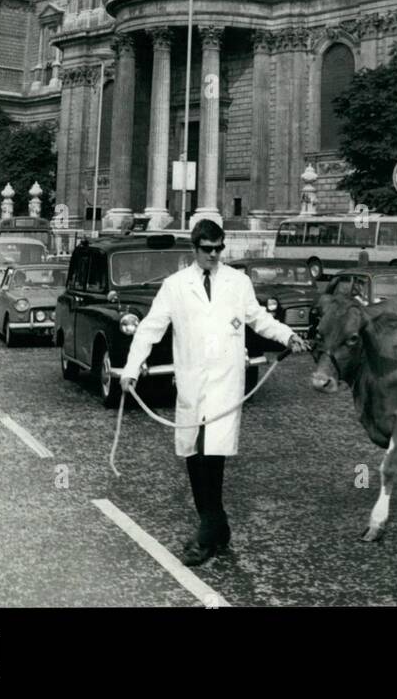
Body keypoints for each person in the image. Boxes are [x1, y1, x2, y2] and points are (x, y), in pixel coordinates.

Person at [119, 219, 309, 565]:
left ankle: (207, 534)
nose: (214, 255)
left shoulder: (238, 282)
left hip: (225, 382)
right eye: (207, 249)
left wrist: (287, 335)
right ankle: (217, 527)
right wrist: (132, 369)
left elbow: (257, 319)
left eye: (219, 248)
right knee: (193, 455)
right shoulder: (176, 286)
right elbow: (150, 329)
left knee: (212, 455)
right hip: (192, 381)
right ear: (195, 249)